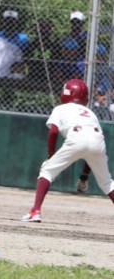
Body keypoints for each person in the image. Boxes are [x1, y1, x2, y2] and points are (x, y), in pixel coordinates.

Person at [22, 78, 114, 222]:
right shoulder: (90, 112)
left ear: (67, 93)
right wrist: (84, 176)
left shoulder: (60, 109)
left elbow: (53, 132)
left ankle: (35, 211)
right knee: (107, 183)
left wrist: (50, 155)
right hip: (98, 141)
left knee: (47, 171)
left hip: (76, 137)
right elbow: (91, 145)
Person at [0, 9, 30, 79]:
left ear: (16, 23)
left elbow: (27, 54)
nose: (9, 24)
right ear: (3, 22)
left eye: (12, 22)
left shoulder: (23, 38)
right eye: (7, 21)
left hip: (16, 73)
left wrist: (19, 65)